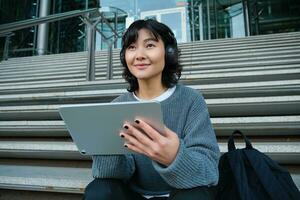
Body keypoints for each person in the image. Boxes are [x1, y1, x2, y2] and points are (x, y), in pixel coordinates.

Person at [83, 19, 220, 200]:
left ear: (169, 53)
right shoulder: (117, 106)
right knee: (98, 190)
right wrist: (104, 149)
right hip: (134, 195)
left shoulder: (191, 100)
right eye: (132, 47)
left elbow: (209, 172)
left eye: (149, 45)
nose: (139, 55)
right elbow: (116, 174)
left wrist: (174, 156)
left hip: (182, 193)